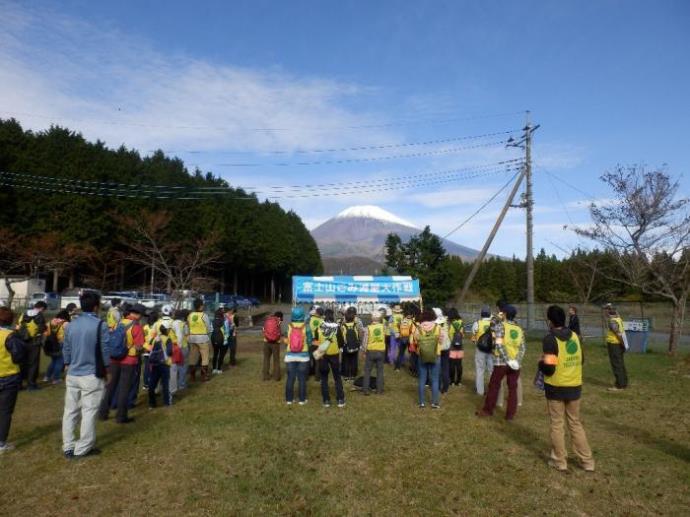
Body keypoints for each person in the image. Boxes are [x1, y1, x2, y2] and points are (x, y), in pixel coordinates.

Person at [539, 305, 595, 472]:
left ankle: (559, 460)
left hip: (556, 387)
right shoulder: (575, 337)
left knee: (557, 424)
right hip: (574, 386)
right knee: (575, 423)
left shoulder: (549, 339)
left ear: (550, 321)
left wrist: (540, 362)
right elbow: (581, 359)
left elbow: (549, 368)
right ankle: (587, 461)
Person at [62, 291, 110, 458]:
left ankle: (68, 446)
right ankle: (82, 448)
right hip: (91, 375)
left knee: (70, 411)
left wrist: (67, 363)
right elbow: (104, 350)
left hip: (73, 373)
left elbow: (66, 348)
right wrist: (107, 369)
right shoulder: (100, 325)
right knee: (89, 412)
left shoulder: (71, 325)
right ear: (96, 306)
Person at [99, 304, 145, 424]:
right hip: (129, 361)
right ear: (138, 315)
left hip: (114, 359)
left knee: (110, 386)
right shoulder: (136, 327)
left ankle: (103, 413)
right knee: (124, 389)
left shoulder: (118, 323)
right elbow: (140, 346)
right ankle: (121, 416)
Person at [477, 305, 526, 420]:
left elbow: (499, 344)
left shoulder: (501, 326)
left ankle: (488, 410)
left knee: (494, 385)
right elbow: (522, 348)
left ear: (504, 314)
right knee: (512, 389)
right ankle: (510, 415)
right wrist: (516, 361)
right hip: (515, 365)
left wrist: (508, 360)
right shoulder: (519, 329)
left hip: (501, 362)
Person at [0, 307, 26, 454]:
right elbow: (19, 356)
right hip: (8, 377)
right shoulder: (10, 336)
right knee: (4, 411)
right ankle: (1, 443)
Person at [314, 309, 345, 407]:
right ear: (333, 316)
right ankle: (340, 399)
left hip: (322, 354)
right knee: (337, 377)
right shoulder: (337, 327)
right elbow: (341, 342)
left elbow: (315, 342)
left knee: (324, 378)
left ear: (324, 316)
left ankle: (326, 400)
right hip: (334, 354)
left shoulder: (319, 327)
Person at [415, 309, 443, 409]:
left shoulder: (418, 328)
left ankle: (422, 402)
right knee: (435, 380)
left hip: (422, 356)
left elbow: (414, 340)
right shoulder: (438, 327)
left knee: (422, 379)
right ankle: (434, 403)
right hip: (436, 355)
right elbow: (441, 341)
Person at [17, 300, 48, 390]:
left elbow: (18, 325)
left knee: (21, 363)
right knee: (33, 364)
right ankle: (31, 384)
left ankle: (19, 384)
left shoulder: (23, 314)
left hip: (22, 341)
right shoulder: (40, 316)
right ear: (41, 308)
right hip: (34, 342)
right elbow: (42, 329)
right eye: (44, 310)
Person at [284, 306, 312, 405]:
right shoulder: (306, 326)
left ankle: (289, 399)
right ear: (302, 315)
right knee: (302, 379)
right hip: (303, 356)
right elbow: (309, 341)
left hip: (290, 355)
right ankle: (302, 400)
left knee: (290, 378)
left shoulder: (289, 326)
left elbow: (286, 339)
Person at [147, 322, 173, 408]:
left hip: (154, 364)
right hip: (165, 364)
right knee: (166, 384)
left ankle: (152, 403)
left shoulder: (155, 338)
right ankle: (167, 402)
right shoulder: (168, 339)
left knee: (152, 384)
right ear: (167, 330)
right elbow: (169, 352)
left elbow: (149, 349)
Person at [604, 304, 628, 391]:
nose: (604, 312)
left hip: (614, 345)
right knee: (620, 363)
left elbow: (618, 334)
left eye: (606, 310)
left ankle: (619, 385)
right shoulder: (618, 319)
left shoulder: (612, 321)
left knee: (616, 365)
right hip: (619, 344)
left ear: (608, 311)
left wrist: (623, 344)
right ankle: (624, 382)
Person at [43, 309, 71, 384]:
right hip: (61, 343)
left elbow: (45, 333)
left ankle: (47, 376)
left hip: (51, 344)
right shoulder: (66, 323)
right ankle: (56, 378)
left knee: (53, 361)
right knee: (60, 362)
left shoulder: (50, 322)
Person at [187, 299, 212, 382]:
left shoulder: (190, 315)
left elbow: (188, 327)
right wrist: (207, 333)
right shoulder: (204, 315)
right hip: (202, 338)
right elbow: (208, 327)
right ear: (201, 306)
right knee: (205, 357)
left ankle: (192, 376)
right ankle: (204, 376)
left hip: (192, 338)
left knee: (193, 357)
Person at [362, 311, 386, 395]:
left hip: (370, 351)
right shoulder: (383, 327)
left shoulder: (368, 328)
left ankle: (365, 390)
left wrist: (364, 351)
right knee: (380, 371)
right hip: (381, 350)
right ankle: (379, 390)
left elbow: (365, 341)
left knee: (367, 371)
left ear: (372, 318)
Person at [472, 306, 493, 395]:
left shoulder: (477, 323)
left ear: (481, 314)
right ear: (489, 314)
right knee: (492, 370)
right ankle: (493, 389)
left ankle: (480, 391)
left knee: (480, 370)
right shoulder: (493, 323)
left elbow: (474, 334)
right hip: (491, 349)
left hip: (480, 349)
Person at [339, 307, 363, 381]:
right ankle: (353, 375)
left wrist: (340, 346)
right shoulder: (357, 324)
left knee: (345, 360)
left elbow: (340, 336)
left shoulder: (342, 325)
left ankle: (345, 375)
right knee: (354, 360)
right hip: (355, 345)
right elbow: (360, 334)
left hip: (346, 346)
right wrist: (360, 343)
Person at [434, 308, 451, 394]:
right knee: (445, 367)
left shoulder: (435, 323)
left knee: (438, 367)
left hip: (439, 347)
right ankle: (445, 387)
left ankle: (437, 385)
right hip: (447, 346)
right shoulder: (446, 321)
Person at [262, 311, 283, 381]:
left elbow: (263, 330)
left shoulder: (267, 320)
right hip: (275, 343)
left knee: (266, 359)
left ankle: (265, 376)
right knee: (276, 360)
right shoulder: (278, 321)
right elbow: (279, 332)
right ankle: (276, 377)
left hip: (266, 342)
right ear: (279, 317)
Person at [172, 310, 190, 390]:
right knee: (183, 366)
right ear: (182, 317)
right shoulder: (183, 324)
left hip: (173, 347)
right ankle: (181, 384)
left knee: (174, 366)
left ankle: (173, 384)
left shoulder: (171, 323)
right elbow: (186, 334)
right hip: (183, 346)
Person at [447, 308, 464, 387]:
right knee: (459, 364)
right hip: (460, 347)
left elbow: (449, 335)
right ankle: (459, 381)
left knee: (452, 364)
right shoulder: (461, 322)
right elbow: (462, 335)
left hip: (452, 347)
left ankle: (452, 381)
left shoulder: (451, 324)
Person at [308, 306, 324, 381]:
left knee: (309, 358)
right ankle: (317, 376)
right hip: (318, 341)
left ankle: (308, 374)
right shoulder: (322, 321)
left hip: (311, 340)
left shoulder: (310, 319)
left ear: (316, 312)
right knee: (318, 359)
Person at [211, 307, 227, 375]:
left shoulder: (213, 320)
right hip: (222, 338)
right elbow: (226, 330)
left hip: (214, 337)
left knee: (215, 353)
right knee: (221, 354)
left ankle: (214, 369)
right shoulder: (223, 321)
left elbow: (210, 329)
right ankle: (219, 369)